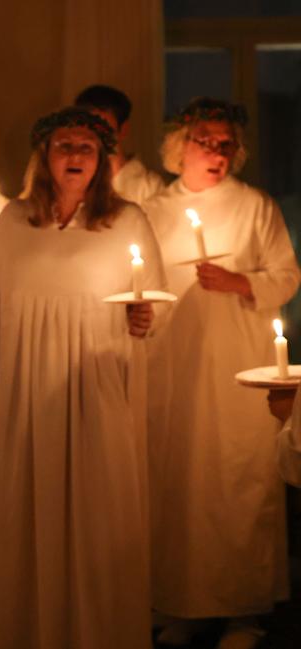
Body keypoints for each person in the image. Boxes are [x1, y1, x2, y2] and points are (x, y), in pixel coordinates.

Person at [0, 107, 165, 649]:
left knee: (99, 509)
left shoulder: (127, 220)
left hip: (99, 380)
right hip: (28, 387)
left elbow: (154, 296)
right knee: (27, 507)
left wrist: (146, 318)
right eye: (64, 145)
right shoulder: (14, 220)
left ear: (103, 159)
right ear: (44, 156)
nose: (75, 155)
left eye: (86, 146)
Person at [144, 98, 300, 649]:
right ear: (180, 145)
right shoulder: (153, 208)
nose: (217, 151)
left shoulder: (256, 206)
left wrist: (240, 282)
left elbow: (285, 274)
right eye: (206, 140)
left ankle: (243, 611)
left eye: (226, 142)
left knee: (238, 479)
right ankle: (183, 604)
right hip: (172, 365)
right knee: (178, 482)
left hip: (236, 363)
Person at [74, 84, 164, 205]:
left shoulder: (149, 187)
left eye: (104, 129)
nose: (95, 138)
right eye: (89, 129)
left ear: (123, 129)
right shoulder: (74, 181)